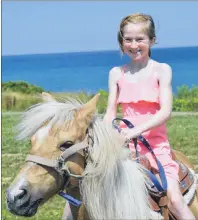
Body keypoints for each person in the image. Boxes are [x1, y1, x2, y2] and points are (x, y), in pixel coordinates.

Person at [104, 13, 195, 219]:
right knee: (87, 189)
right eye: (128, 39)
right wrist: (106, 134)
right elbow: (110, 111)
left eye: (140, 39)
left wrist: (132, 132)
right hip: (123, 147)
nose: (134, 44)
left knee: (175, 201)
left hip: (156, 148)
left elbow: (165, 112)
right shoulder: (116, 73)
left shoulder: (162, 70)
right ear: (121, 42)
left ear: (152, 40)